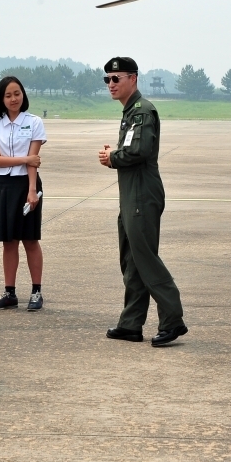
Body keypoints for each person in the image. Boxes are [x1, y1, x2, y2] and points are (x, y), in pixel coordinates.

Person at [97, 57, 187, 347]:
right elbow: (133, 148)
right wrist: (117, 153)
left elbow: (140, 150)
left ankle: (172, 320)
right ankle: (131, 324)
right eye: (107, 80)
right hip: (131, 194)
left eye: (116, 78)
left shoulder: (142, 110)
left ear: (132, 79)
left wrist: (112, 157)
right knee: (131, 260)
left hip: (141, 194)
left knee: (145, 258)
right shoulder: (131, 111)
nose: (111, 84)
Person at [0, 76, 46, 311]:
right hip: (1, 185)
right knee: (8, 242)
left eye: (17, 93)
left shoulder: (34, 122)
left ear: (23, 94)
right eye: (8, 95)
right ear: (1, 98)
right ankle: (9, 293)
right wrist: (25, 158)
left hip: (26, 184)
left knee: (30, 240)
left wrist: (32, 191)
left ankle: (36, 291)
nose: (13, 99)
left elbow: (34, 163)